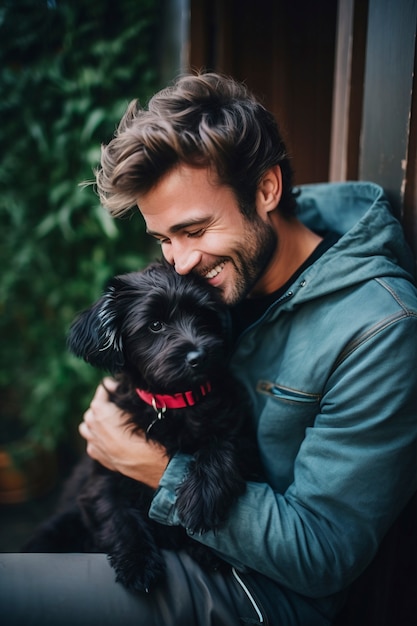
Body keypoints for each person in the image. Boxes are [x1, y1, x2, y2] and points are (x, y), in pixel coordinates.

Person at [2, 72, 417, 626]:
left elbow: (323, 556)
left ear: (266, 190)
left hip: (260, 589)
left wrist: (152, 467)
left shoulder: (380, 328)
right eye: (163, 239)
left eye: (194, 230)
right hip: (161, 529)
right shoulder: (229, 273)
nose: (179, 262)